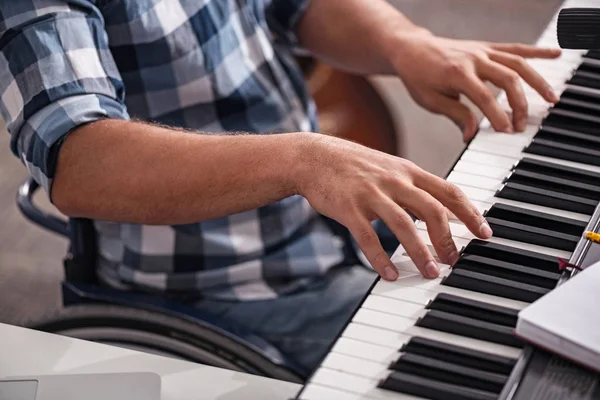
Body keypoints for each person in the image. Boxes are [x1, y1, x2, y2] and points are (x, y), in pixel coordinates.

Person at [0, 0, 560, 372]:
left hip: (325, 234)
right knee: (509, 356)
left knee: (548, 274)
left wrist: (402, 42)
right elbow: (80, 160)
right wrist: (303, 161)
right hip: (217, 293)